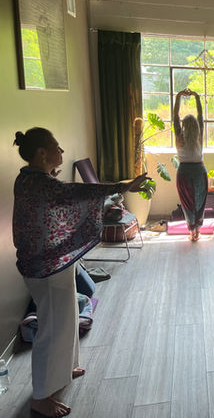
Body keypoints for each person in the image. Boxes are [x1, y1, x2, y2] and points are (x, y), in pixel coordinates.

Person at [12, 127, 149, 418]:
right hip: (45, 267)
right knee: (52, 328)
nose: (61, 151)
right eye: (56, 147)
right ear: (41, 153)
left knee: (68, 317)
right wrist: (123, 186)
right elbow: (78, 193)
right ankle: (41, 397)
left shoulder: (31, 179)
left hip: (51, 262)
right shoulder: (38, 184)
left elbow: (65, 202)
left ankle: (64, 368)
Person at [173, 88, 208, 241]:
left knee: (187, 203)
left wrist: (179, 96)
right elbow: (201, 116)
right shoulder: (199, 135)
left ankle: (191, 230)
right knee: (200, 202)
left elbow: (175, 116)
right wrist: (197, 97)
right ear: (196, 126)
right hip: (199, 170)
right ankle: (198, 230)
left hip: (184, 172)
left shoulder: (179, 136)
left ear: (184, 126)